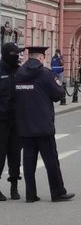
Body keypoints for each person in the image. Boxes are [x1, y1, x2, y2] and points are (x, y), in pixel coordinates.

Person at [14, 46, 75, 203]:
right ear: (41, 58)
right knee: (51, 161)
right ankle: (57, 192)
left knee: (28, 161)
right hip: (43, 125)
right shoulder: (45, 73)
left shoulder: (19, 73)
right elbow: (58, 94)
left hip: (25, 125)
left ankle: (30, 195)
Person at [0, 42, 24, 201]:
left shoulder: (20, 71)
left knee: (15, 154)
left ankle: (14, 186)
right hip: (1, 121)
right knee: (0, 155)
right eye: (15, 54)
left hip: (17, 120)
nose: (18, 56)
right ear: (8, 54)